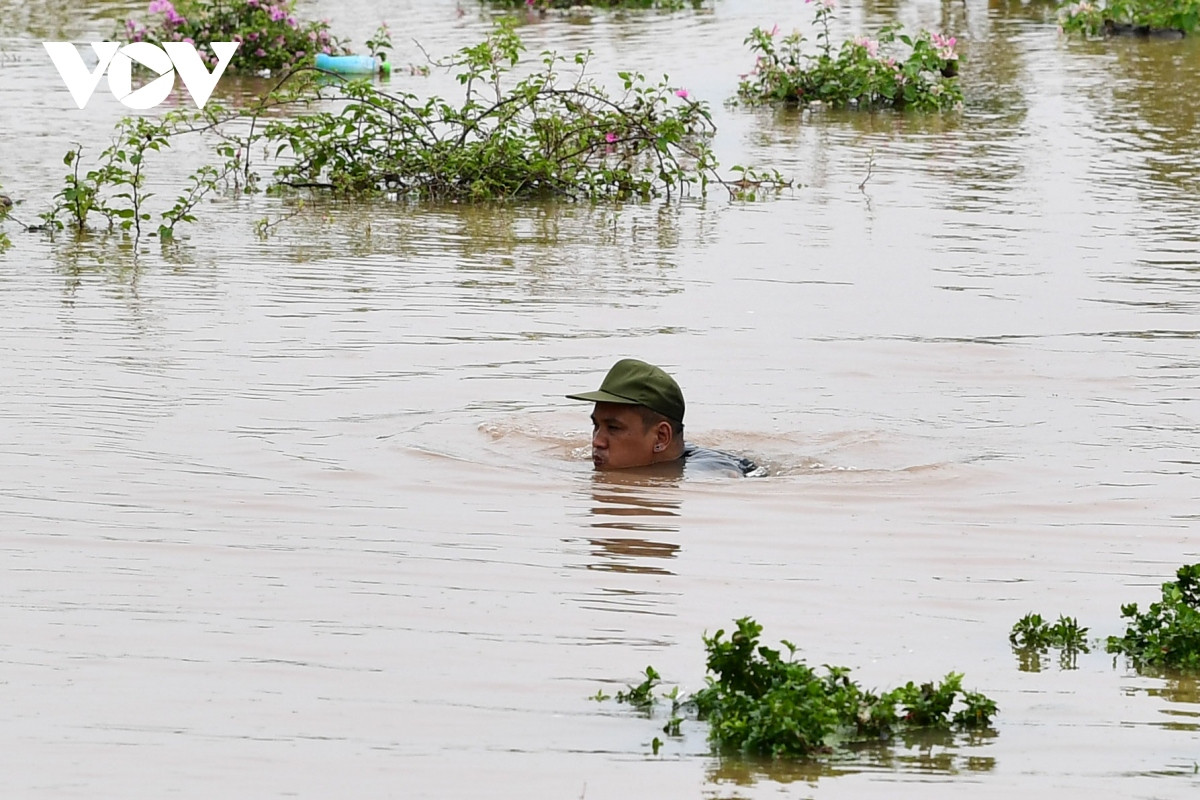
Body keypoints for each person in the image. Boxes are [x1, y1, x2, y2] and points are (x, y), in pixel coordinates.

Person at [566, 358, 762, 477]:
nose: (597, 441)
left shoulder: (710, 475)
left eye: (614, 428)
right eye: (596, 425)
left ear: (661, 437)